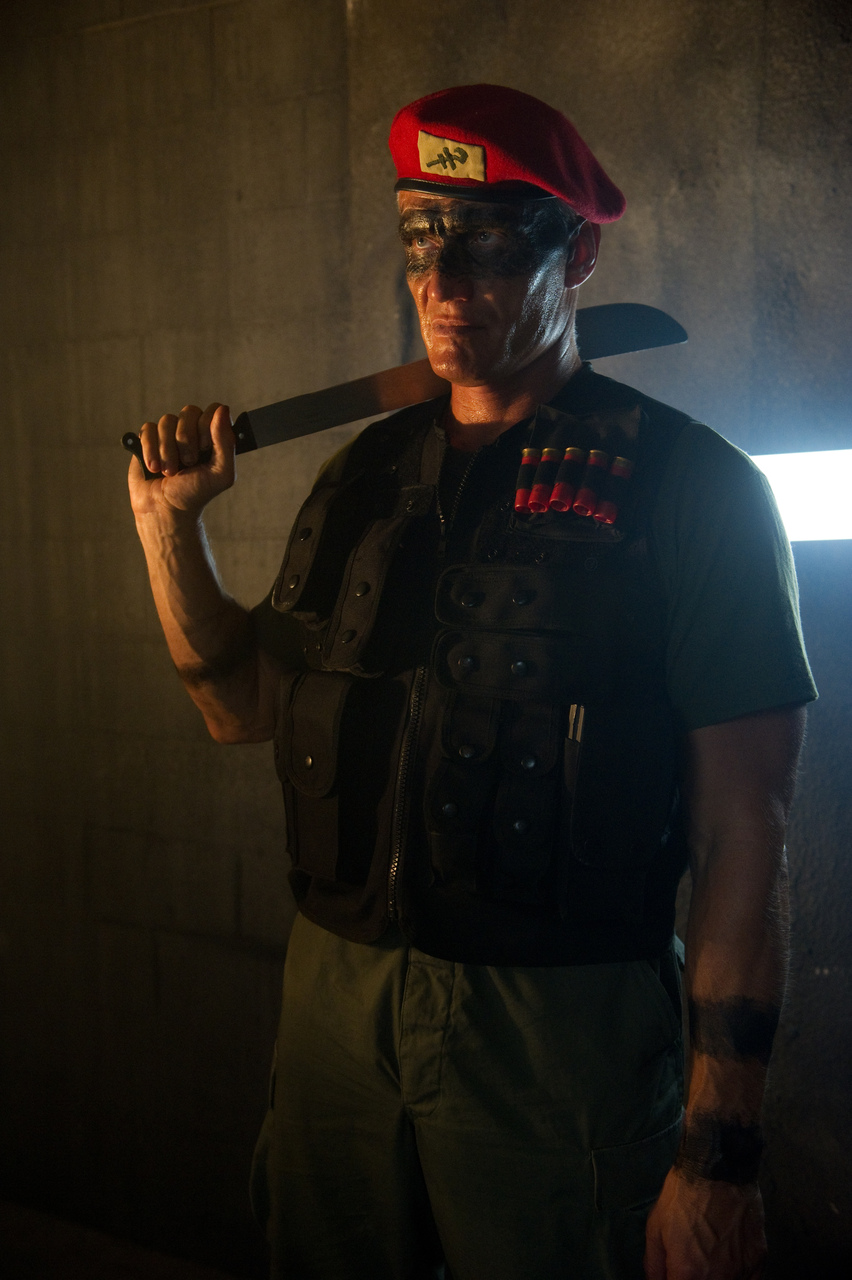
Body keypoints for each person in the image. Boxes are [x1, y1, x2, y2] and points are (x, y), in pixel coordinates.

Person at [128, 85, 817, 1280]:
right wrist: (166, 526)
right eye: (420, 239)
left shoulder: (697, 490)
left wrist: (719, 1155)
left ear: (578, 253)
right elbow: (236, 709)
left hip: (561, 1035)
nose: (443, 284)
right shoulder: (360, 475)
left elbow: (742, 834)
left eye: (491, 245)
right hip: (334, 1008)